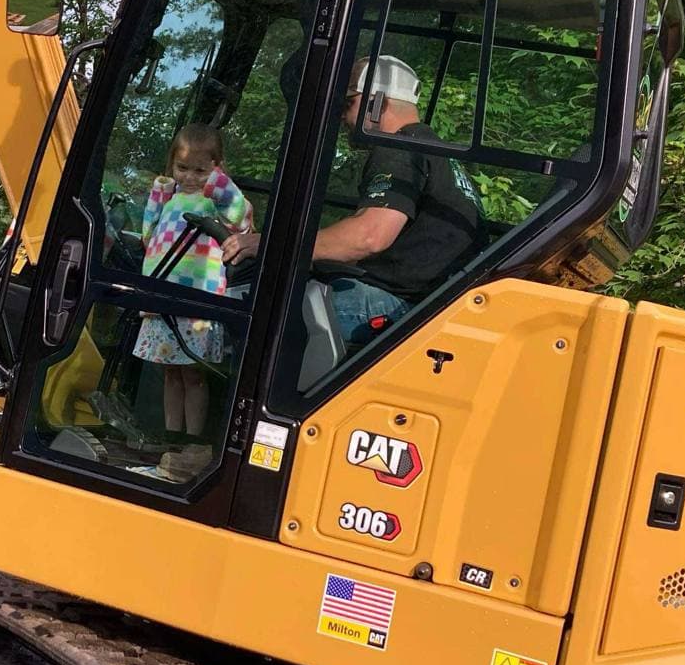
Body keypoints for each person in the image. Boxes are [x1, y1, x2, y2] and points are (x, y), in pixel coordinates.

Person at [223, 54, 481, 347]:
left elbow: (369, 237)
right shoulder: (441, 155)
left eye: (348, 104)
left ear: (376, 103)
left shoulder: (398, 148)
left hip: (400, 310)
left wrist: (272, 244)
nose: (343, 118)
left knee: (245, 314)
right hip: (429, 307)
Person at [133, 122, 251, 439]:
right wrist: (158, 196)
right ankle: (171, 435)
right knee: (171, 373)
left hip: (197, 302)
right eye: (182, 167)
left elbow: (242, 219)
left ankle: (193, 438)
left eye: (200, 170)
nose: (189, 177)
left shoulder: (217, 201)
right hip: (161, 297)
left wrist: (217, 183)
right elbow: (148, 237)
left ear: (216, 169)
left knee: (194, 374)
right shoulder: (169, 201)